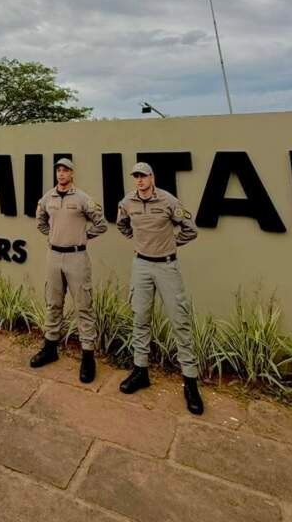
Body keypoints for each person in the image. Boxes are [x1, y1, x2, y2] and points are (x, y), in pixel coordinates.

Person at [116, 162, 204, 414]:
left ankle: (190, 382)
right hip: (141, 265)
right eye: (136, 177)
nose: (140, 180)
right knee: (140, 318)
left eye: (144, 176)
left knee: (180, 321)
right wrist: (140, 241)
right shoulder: (128, 202)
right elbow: (122, 224)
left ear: (152, 177)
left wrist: (170, 243)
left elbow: (190, 229)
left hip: (167, 266)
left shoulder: (168, 201)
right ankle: (140, 371)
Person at [32, 158, 107, 383]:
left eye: (65, 170)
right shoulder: (48, 198)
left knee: (83, 306)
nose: (61, 174)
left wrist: (83, 237)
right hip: (54, 256)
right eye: (58, 170)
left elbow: (100, 223)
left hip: (77, 257)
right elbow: (41, 222)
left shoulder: (82, 198)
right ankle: (50, 348)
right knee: (53, 303)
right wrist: (54, 236)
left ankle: (87, 356)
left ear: (72, 174)